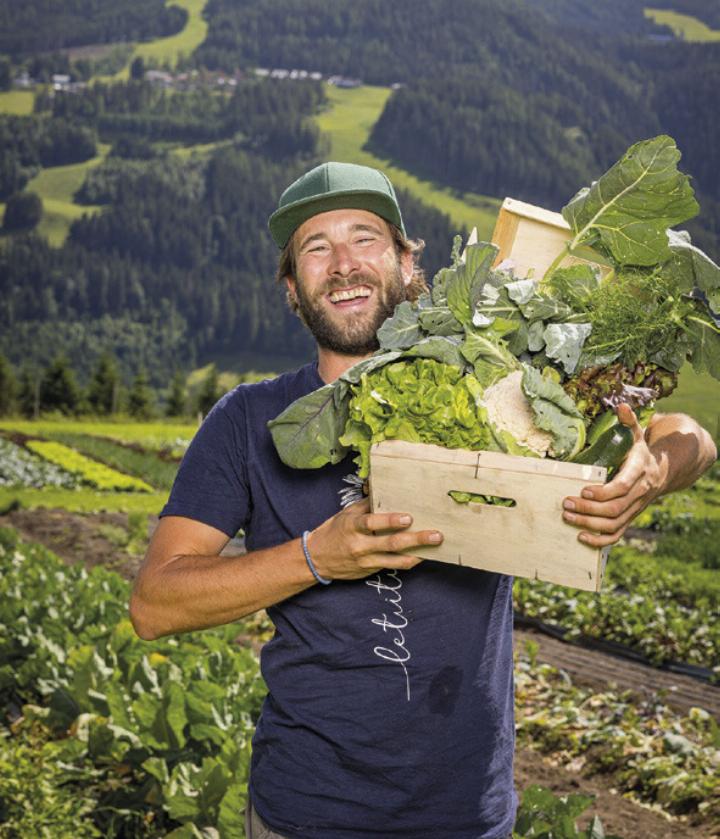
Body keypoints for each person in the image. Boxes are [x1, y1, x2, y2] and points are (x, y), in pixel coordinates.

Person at [130, 162, 717, 839]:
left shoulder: (496, 379)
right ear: (292, 288)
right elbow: (153, 602)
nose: (343, 264)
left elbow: (688, 436)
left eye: (366, 238)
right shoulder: (246, 420)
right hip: (306, 816)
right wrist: (318, 556)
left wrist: (649, 473)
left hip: (468, 817)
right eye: (316, 249)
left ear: (409, 262)